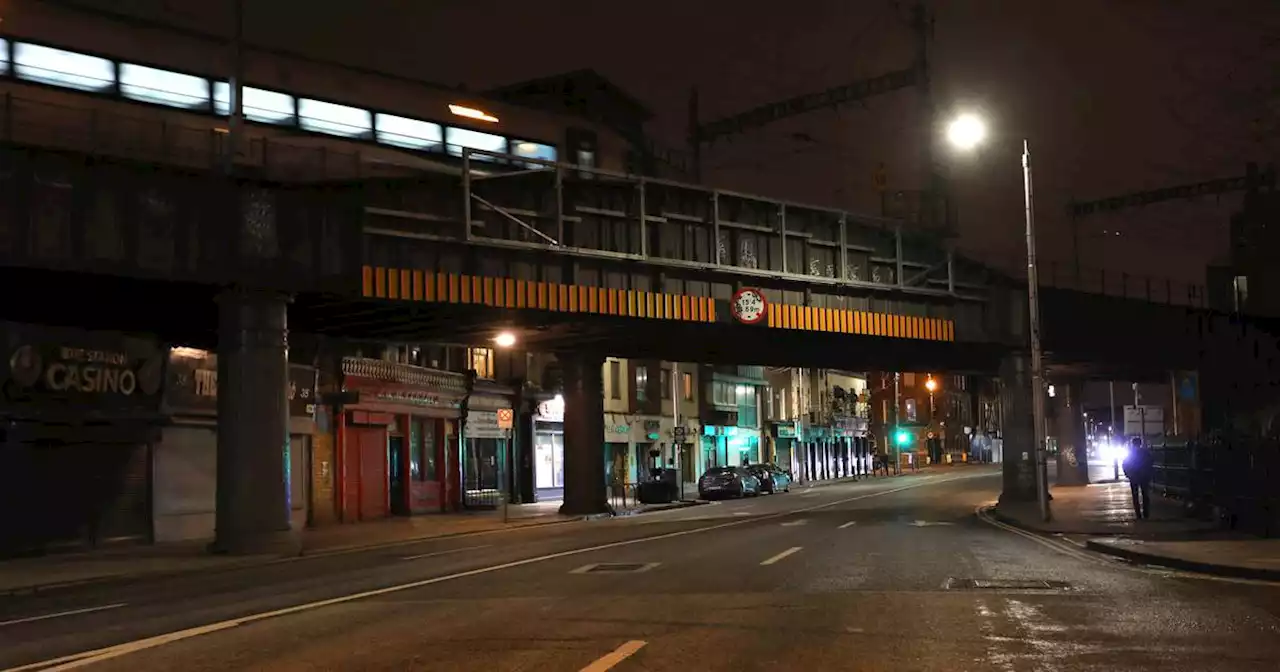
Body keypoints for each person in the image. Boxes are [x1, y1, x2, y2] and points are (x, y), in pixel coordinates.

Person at [1122, 436, 1154, 519]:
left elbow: (1125, 465)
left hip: (1134, 477)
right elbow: (1150, 463)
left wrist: (1128, 474)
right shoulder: (1145, 453)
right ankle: (1146, 513)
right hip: (1144, 476)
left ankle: (1138, 514)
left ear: (1132, 444)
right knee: (1145, 495)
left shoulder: (1130, 454)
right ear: (1140, 443)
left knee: (1135, 496)